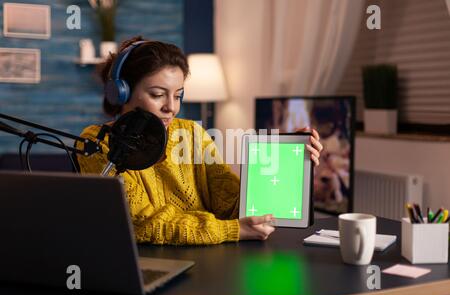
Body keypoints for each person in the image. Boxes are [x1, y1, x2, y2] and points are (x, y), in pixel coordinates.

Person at [77, 36, 323, 245]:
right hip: (143, 268)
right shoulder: (96, 143)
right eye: (157, 95)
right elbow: (140, 223)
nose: (171, 107)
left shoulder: (192, 134)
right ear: (122, 92)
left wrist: (279, 163)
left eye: (178, 95)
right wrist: (230, 230)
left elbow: (232, 207)